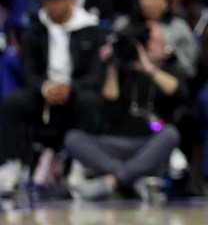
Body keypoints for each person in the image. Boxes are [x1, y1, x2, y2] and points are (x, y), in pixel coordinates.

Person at [0, 0, 106, 195]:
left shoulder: (91, 30)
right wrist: (45, 87)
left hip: (76, 91)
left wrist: (71, 87)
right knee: (11, 104)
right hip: (44, 92)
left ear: (71, 0)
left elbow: (96, 75)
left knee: (91, 102)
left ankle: (82, 165)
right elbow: (29, 71)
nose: (52, 5)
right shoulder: (34, 30)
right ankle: (11, 165)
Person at [65, 22, 188, 201]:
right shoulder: (121, 68)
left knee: (170, 134)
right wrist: (113, 65)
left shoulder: (170, 69)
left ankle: (111, 181)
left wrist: (148, 68)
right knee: (73, 139)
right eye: (147, 41)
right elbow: (109, 107)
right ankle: (129, 177)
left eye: (155, 41)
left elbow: (179, 92)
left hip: (148, 142)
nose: (149, 46)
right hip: (114, 143)